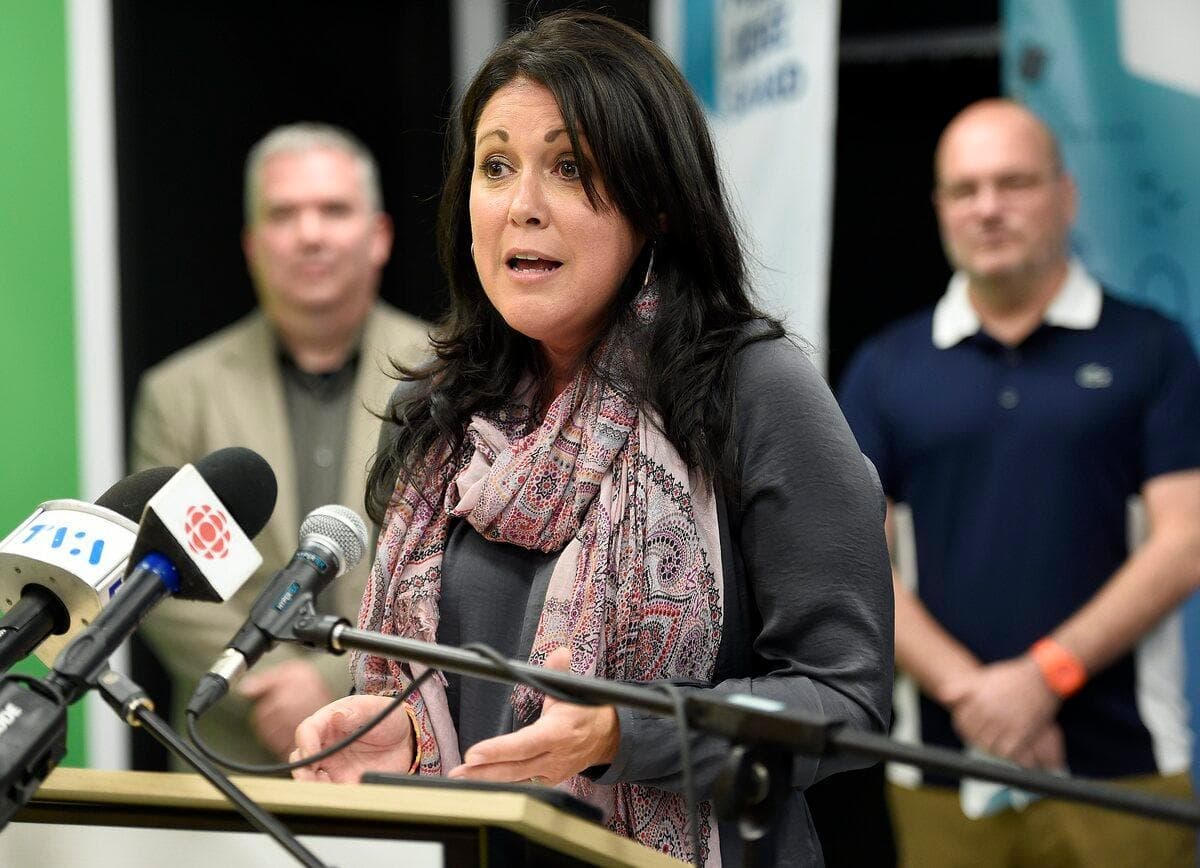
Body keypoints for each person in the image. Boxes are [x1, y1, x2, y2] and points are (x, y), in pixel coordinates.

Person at [289, 12, 892, 866]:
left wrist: (624, 732)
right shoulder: (443, 414)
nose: (522, 207)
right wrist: (407, 739)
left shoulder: (752, 392)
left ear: (656, 204)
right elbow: (479, 714)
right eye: (496, 166)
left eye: (570, 168)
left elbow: (846, 701)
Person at [839, 98, 1200, 866]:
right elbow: (852, 564)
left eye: (1014, 183)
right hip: (943, 769)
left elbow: (1187, 541)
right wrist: (980, 697)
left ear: (1066, 194)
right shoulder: (885, 369)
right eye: (966, 190)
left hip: (1125, 766)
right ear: (940, 209)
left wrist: (1043, 678)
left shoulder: (1150, 348)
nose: (990, 209)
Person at [130, 123, 429, 767]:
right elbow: (158, 581)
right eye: (284, 213)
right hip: (230, 754)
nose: (310, 233)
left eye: (333, 210)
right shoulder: (180, 390)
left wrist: (327, 685)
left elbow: (457, 578)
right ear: (252, 244)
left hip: (399, 750)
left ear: (379, 237)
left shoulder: (449, 376)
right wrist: (263, 678)